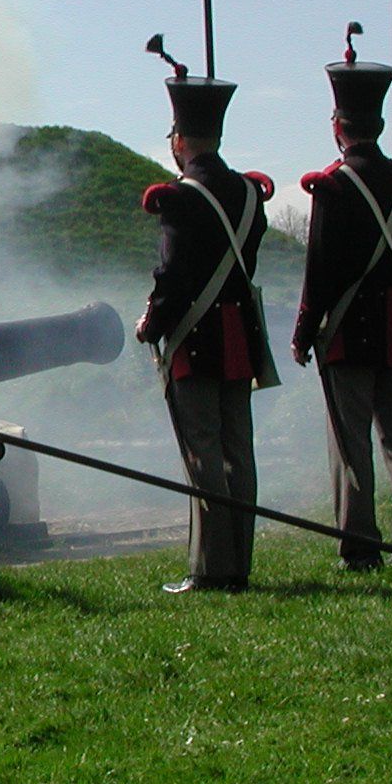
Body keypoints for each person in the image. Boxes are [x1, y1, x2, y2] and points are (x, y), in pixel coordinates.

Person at [133, 37, 278, 594]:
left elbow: (171, 277)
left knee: (203, 454)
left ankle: (210, 568)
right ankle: (239, 563)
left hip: (195, 340)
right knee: (239, 451)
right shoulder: (249, 195)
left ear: (180, 140)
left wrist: (151, 325)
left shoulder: (179, 199)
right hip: (239, 336)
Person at [291, 25, 392, 569]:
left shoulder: (333, 187)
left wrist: (303, 332)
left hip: (348, 332)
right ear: (377, 125)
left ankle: (359, 545)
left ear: (338, 126)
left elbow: (320, 271)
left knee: (351, 443)